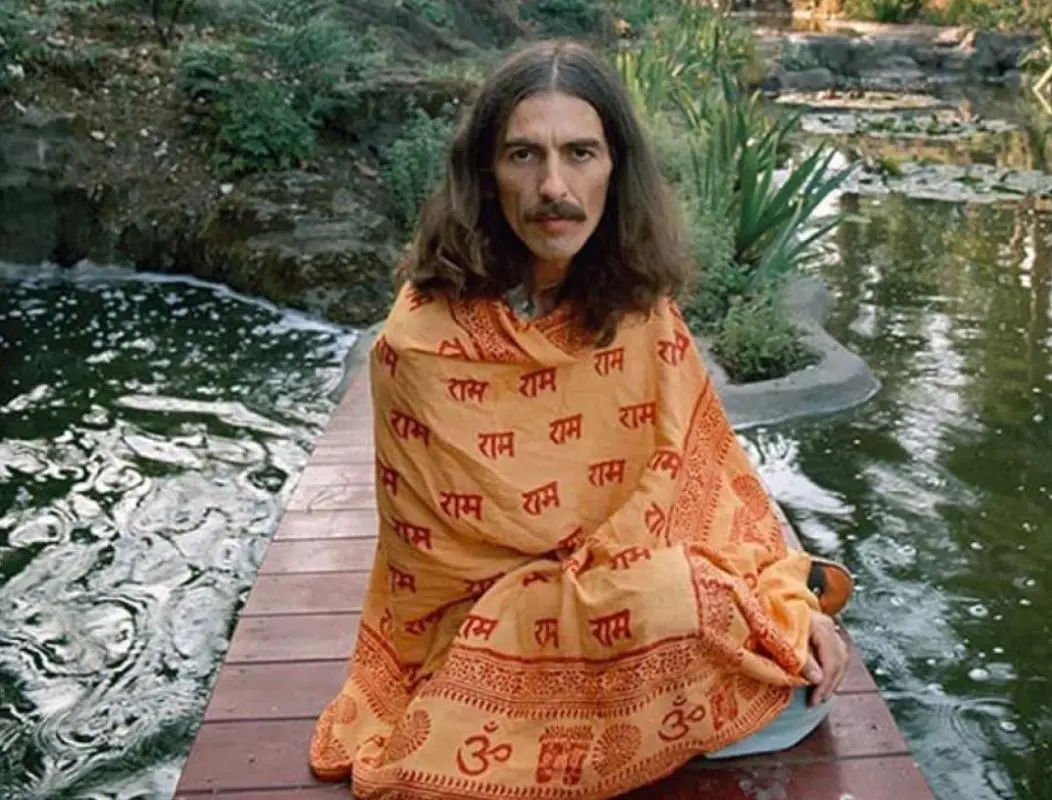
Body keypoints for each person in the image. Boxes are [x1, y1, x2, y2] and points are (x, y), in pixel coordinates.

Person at [308, 39, 854, 799]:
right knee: (709, 626)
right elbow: (447, 573)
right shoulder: (421, 346)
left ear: (616, 171)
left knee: (775, 650)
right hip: (490, 623)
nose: (552, 186)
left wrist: (775, 595)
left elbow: (710, 484)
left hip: (639, 594)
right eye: (523, 155)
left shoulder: (640, 311)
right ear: (485, 175)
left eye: (581, 154)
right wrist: (675, 595)